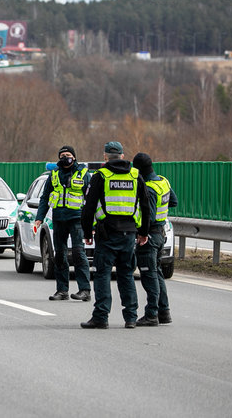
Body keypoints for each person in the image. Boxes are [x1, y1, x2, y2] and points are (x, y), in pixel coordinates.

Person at [80, 141, 152, 329]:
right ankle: (130, 317)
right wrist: (143, 232)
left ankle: (101, 317)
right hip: (129, 234)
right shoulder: (136, 176)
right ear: (122, 156)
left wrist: (87, 232)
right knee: (126, 275)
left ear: (105, 157)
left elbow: (88, 208)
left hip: (106, 234)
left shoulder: (101, 176)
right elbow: (146, 207)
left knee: (103, 274)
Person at [35, 145, 92, 302]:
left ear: (74, 157)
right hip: (59, 219)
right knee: (59, 255)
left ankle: (84, 290)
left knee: (78, 254)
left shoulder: (83, 173)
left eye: (67, 155)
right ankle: (62, 290)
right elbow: (45, 197)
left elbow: (92, 200)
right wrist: (39, 217)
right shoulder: (53, 174)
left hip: (77, 219)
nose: (64, 157)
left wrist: (91, 224)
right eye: (62, 155)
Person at [132, 152, 178, 326]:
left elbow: (148, 216)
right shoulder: (162, 182)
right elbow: (173, 201)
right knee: (157, 274)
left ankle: (151, 314)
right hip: (160, 235)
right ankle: (164, 313)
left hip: (149, 236)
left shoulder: (149, 188)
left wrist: (140, 232)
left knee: (149, 276)